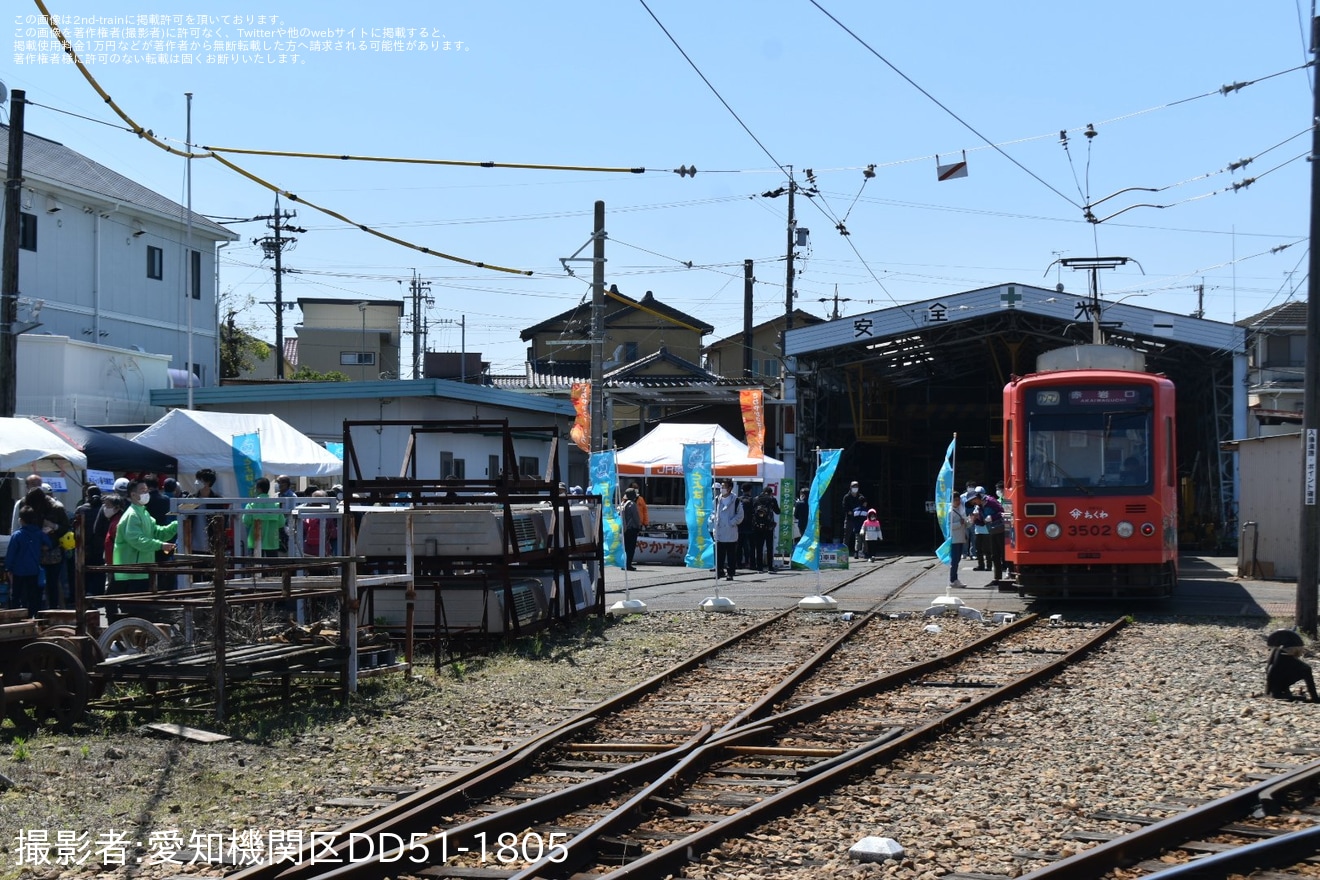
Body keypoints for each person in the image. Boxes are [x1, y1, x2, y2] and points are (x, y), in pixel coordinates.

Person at [111, 478, 177, 602]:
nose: (146, 493)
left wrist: (176, 525)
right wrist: (161, 545)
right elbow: (137, 540)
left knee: (139, 606)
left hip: (141, 568)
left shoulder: (144, 513)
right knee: (134, 606)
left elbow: (158, 532)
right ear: (133, 494)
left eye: (146, 490)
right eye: (142, 490)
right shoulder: (133, 515)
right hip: (132, 570)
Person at [6, 505, 51, 618]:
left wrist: (8, 568)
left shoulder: (17, 535)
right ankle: (32, 616)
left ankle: (15, 616)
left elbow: (11, 553)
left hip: (18, 570)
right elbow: (49, 544)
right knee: (33, 596)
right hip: (33, 570)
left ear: (21, 520)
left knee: (16, 595)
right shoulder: (39, 533)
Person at [708, 477, 744, 581]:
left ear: (730, 488)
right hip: (719, 531)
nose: (722, 489)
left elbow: (740, 515)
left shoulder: (736, 500)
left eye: (724, 487)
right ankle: (719, 571)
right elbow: (712, 512)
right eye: (721, 487)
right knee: (719, 554)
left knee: (731, 554)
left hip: (730, 531)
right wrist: (713, 519)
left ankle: (730, 573)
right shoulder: (716, 500)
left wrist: (731, 522)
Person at [75, 485, 106, 599]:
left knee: (86, 572)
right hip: (101, 546)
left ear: (87, 495)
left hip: (85, 546)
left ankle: (86, 595)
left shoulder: (81, 509)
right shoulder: (103, 508)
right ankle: (100, 595)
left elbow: (76, 529)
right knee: (101, 571)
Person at [242, 478, 285, 556]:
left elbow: (246, 521)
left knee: (256, 566)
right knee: (274, 566)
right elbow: (281, 523)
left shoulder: (252, 504)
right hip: (272, 541)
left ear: (258, 489)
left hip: (256, 538)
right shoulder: (275, 505)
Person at [752, 487, 781, 572]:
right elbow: (777, 511)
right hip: (769, 527)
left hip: (757, 527)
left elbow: (752, 511)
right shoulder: (772, 499)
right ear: (770, 493)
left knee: (759, 547)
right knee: (769, 547)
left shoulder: (755, 499)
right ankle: (770, 568)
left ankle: (759, 568)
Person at [946, 489, 968, 589]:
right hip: (955, 539)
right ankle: (953, 580)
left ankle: (955, 579)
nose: (958, 502)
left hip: (960, 537)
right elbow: (949, 525)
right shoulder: (951, 511)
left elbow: (964, 522)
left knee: (957, 559)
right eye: (955, 500)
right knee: (955, 560)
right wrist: (960, 523)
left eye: (958, 500)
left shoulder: (960, 509)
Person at [842, 480, 868, 559]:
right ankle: (844, 552)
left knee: (860, 536)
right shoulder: (846, 497)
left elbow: (865, 504)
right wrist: (851, 512)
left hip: (859, 520)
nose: (855, 488)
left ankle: (861, 552)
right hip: (850, 518)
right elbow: (844, 507)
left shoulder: (860, 497)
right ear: (850, 487)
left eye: (856, 486)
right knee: (847, 535)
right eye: (853, 486)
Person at [618, 487, 642, 571]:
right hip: (631, 529)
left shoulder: (623, 503)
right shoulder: (632, 504)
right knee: (631, 548)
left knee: (625, 548)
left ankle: (623, 564)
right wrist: (639, 526)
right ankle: (628, 565)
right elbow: (636, 517)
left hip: (624, 529)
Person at [736, 484, 757, 569]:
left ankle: (738, 563)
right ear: (750, 490)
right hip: (750, 527)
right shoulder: (752, 500)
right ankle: (751, 564)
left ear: (742, 490)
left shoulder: (738, 500)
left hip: (740, 526)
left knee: (739, 546)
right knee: (751, 546)